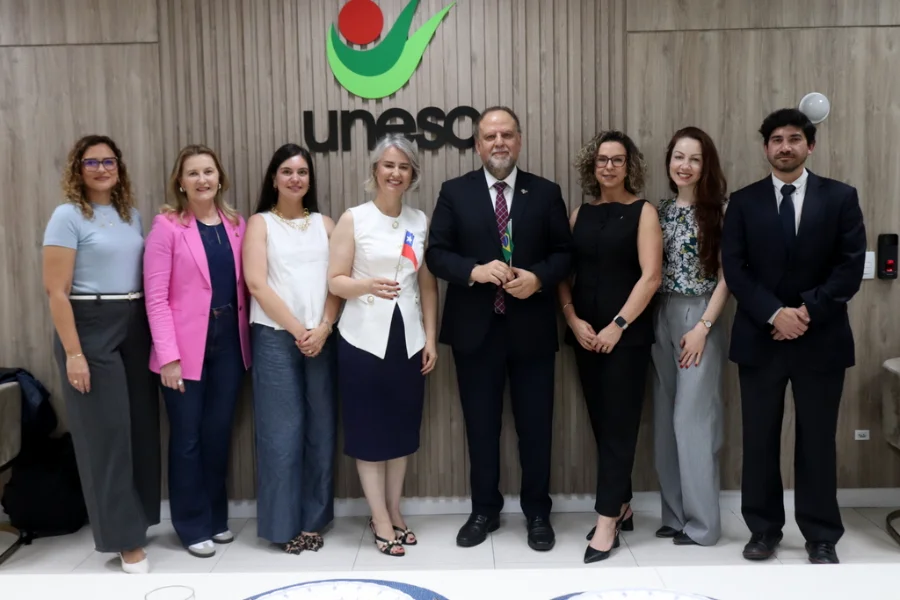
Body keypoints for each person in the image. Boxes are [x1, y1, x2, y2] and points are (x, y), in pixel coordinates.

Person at [722, 108, 866, 564]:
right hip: (760, 338)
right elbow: (735, 269)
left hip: (821, 338)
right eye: (777, 140)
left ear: (810, 145)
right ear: (766, 148)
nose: (785, 146)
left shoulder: (840, 197)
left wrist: (805, 312)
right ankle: (763, 530)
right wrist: (773, 314)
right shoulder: (743, 201)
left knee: (817, 440)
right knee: (759, 440)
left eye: (794, 139)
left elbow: (849, 267)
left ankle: (821, 535)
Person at [426, 106, 572, 552]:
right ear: (477, 145)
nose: (499, 143)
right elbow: (437, 254)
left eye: (506, 134)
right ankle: (484, 510)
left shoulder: (545, 192)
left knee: (536, 428)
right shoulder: (455, 192)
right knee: (481, 427)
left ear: (519, 141)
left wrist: (538, 278)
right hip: (476, 331)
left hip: (532, 329)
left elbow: (565, 254)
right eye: (490, 136)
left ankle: (537, 513)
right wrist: (473, 271)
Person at [42, 135, 160, 574]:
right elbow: (56, 291)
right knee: (107, 434)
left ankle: (138, 521)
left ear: (119, 167)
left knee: (140, 429)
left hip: (134, 321)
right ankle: (124, 540)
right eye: (91, 162)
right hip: (90, 325)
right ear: (78, 169)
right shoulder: (67, 216)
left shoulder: (131, 215)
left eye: (108, 161)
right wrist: (74, 354)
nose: (101, 169)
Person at [328, 134, 438, 557]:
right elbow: (335, 281)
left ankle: (394, 509)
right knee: (370, 432)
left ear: (412, 175)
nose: (395, 173)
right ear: (375, 169)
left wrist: (431, 337)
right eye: (388, 165)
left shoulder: (419, 220)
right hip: (362, 340)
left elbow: (427, 285)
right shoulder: (353, 219)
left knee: (401, 431)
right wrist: (366, 285)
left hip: (407, 340)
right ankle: (378, 517)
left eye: (403, 167)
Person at [143, 144, 252, 558]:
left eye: (208, 171)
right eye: (193, 173)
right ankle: (191, 525)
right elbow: (155, 298)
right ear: (180, 182)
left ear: (220, 178)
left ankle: (216, 519)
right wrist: (168, 357)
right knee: (187, 438)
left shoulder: (236, 224)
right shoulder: (166, 227)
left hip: (230, 345)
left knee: (217, 434)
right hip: (183, 350)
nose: (202, 179)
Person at [558, 130, 662, 563]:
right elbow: (563, 273)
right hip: (585, 336)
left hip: (626, 337)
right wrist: (572, 319)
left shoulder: (643, 212)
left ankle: (606, 522)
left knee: (620, 425)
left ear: (629, 166)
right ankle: (622, 503)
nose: (609, 166)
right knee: (602, 424)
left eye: (618, 160)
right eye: (602, 159)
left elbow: (651, 277)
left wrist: (618, 325)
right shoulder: (579, 214)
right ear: (592, 165)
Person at [243, 144, 341, 554]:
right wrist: (301, 331)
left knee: (321, 430)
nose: (295, 179)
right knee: (281, 435)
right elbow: (256, 284)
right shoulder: (260, 223)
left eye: (302, 172)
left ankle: (313, 521)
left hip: (322, 337)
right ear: (274, 178)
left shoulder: (326, 224)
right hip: (276, 338)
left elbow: (339, 279)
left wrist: (324, 327)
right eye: (287, 171)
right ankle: (283, 527)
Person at [650, 127, 730, 547]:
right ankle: (675, 515)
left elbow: (727, 277)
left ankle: (703, 525)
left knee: (692, 420)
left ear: (705, 165)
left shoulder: (720, 212)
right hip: (660, 313)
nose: (685, 165)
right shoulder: (659, 211)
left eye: (694, 159)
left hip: (700, 314)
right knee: (665, 418)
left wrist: (704, 327)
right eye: (678, 157)